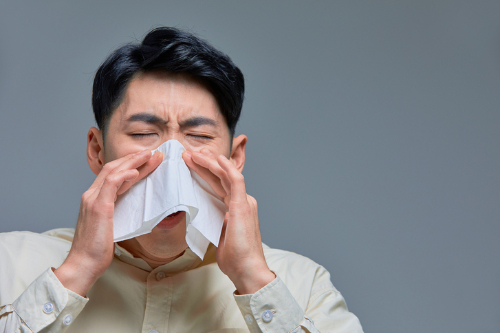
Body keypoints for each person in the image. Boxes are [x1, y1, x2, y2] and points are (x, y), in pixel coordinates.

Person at [0, 27, 363, 333]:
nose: (171, 164)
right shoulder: (9, 262)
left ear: (235, 158)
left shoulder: (304, 283)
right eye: (143, 133)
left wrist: (253, 278)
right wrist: (75, 272)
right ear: (97, 151)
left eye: (200, 137)